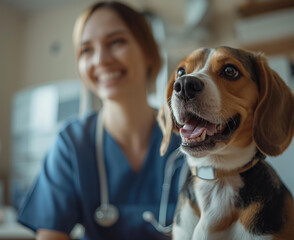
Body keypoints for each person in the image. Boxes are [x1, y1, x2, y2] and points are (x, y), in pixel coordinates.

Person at [17, 1, 185, 239]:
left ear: (148, 52)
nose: (101, 60)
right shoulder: (73, 144)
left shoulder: (189, 134)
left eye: (116, 42)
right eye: (86, 50)